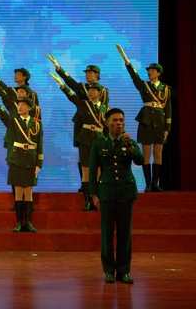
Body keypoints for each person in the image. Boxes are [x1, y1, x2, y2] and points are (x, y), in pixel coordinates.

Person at [89, 108, 143, 284]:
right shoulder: (99, 144)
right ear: (107, 123)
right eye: (115, 120)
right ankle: (108, 270)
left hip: (126, 192)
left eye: (121, 120)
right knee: (107, 233)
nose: (119, 123)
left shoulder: (129, 142)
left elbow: (140, 160)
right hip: (107, 193)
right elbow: (92, 171)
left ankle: (124, 271)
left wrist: (131, 147)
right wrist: (93, 194)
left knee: (125, 234)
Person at [0, 63, 41, 211]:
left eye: (18, 74)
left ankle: (27, 201)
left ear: (25, 78)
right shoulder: (12, 96)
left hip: (27, 136)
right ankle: (17, 201)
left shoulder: (32, 96)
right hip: (13, 134)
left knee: (28, 168)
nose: (19, 94)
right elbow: (3, 91)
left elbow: (36, 116)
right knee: (14, 168)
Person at [0, 87, 42, 233]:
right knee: (19, 191)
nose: (19, 107)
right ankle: (19, 223)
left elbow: (39, 145)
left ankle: (28, 223)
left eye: (23, 105)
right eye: (18, 105)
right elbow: (2, 114)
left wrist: (39, 163)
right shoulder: (14, 121)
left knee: (28, 192)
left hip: (30, 159)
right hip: (17, 159)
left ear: (29, 108)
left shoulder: (36, 124)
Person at [48, 54, 109, 193]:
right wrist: (58, 68)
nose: (87, 75)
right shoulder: (82, 87)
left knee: (98, 157)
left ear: (97, 75)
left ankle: (96, 186)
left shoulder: (104, 90)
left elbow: (103, 108)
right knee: (83, 155)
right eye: (86, 73)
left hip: (97, 124)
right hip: (82, 124)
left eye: (90, 73)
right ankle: (84, 183)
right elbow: (70, 83)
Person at [116, 45, 171, 192]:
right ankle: (148, 184)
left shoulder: (166, 89)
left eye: (152, 70)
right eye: (148, 70)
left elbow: (168, 110)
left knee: (158, 153)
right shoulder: (144, 85)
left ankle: (155, 183)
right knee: (146, 153)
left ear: (158, 73)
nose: (149, 72)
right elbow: (134, 76)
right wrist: (127, 61)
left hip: (160, 121)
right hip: (146, 120)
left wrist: (167, 128)